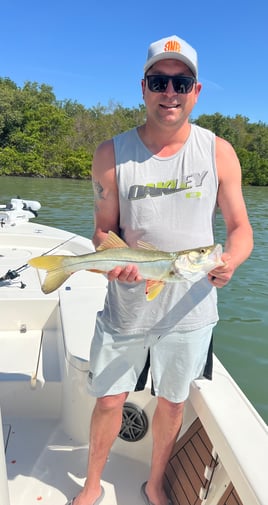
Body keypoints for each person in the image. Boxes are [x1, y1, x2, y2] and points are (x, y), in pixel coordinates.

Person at [67, 35, 253, 505]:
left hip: (190, 313)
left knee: (172, 404)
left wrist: (228, 262)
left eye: (181, 82)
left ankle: (155, 482)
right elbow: (102, 232)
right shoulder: (110, 155)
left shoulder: (219, 152)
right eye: (159, 81)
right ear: (143, 87)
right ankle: (92, 485)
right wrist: (114, 264)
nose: (169, 92)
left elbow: (239, 229)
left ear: (196, 90)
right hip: (126, 308)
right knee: (109, 400)